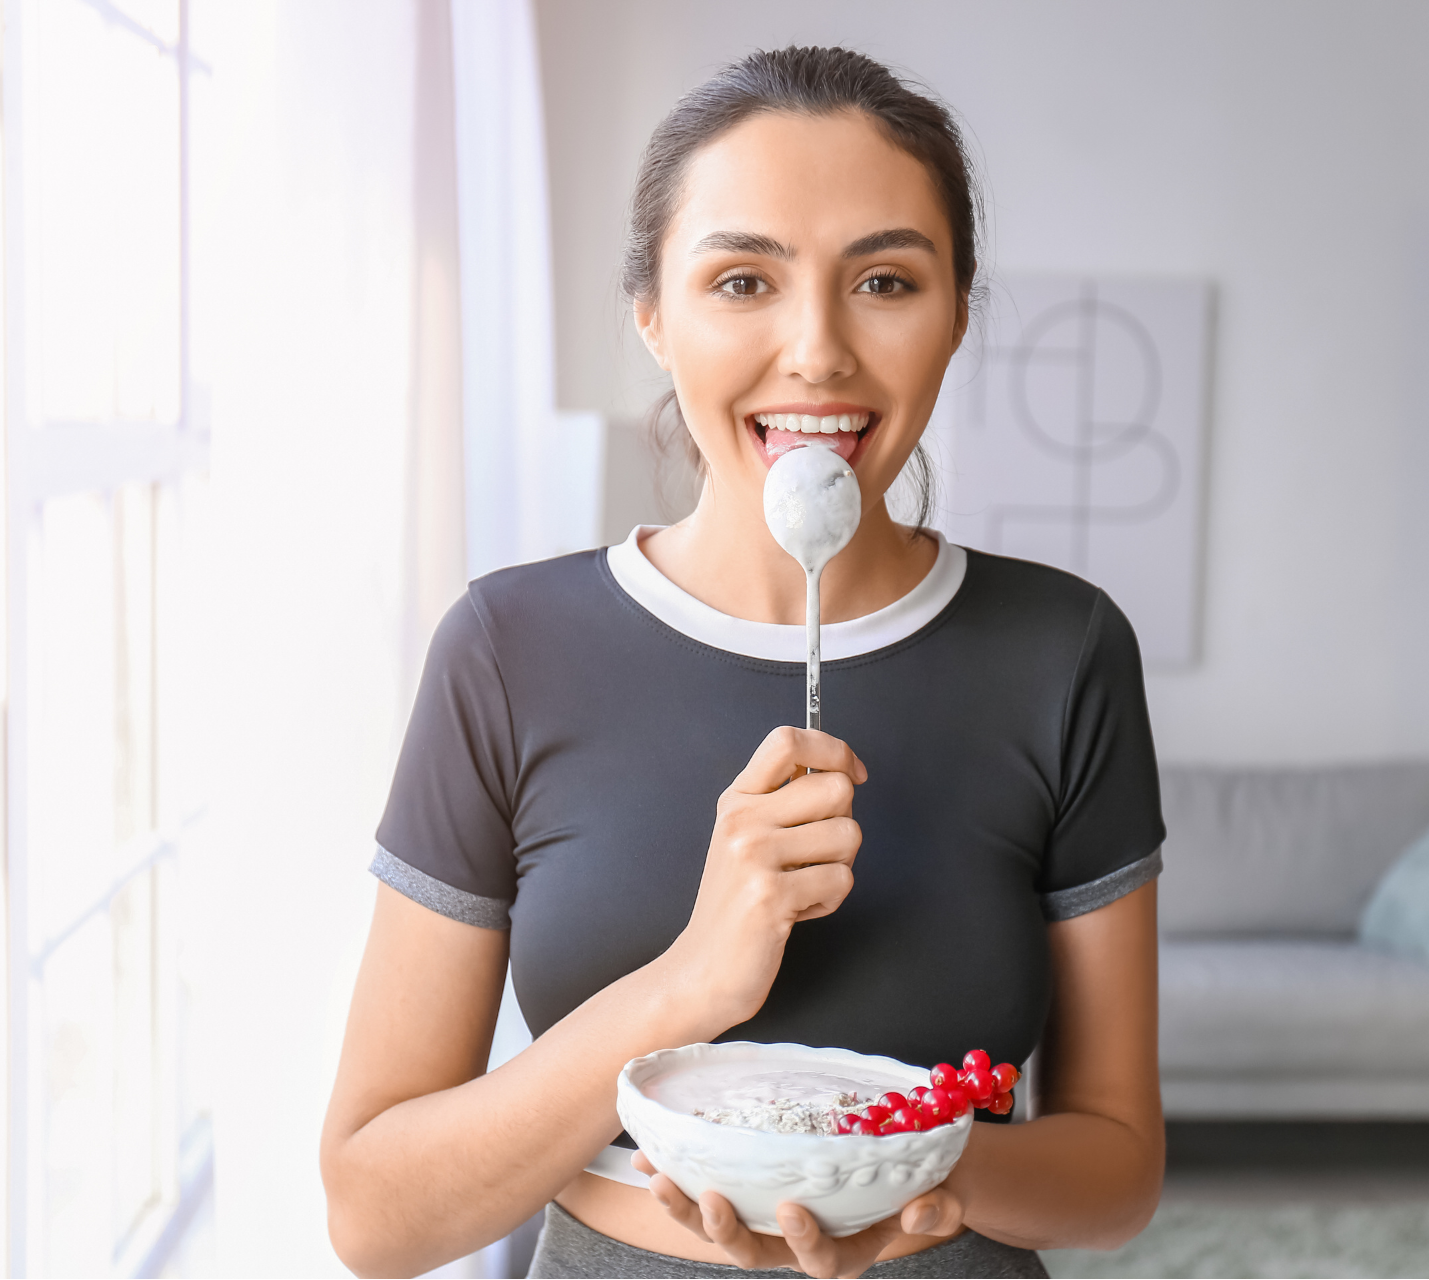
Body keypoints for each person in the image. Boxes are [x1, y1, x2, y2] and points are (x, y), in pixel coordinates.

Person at [321, 46, 1165, 1280]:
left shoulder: (1064, 649)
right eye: (742, 280)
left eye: (884, 278)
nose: (817, 350)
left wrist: (902, 1170)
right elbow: (376, 1216)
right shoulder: (508, 650)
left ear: (958, 315)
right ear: (652, 314)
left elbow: (1117, 1171)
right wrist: (686, 983)